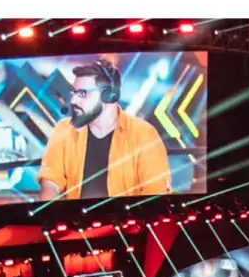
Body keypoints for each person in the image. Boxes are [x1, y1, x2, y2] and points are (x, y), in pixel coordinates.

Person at [37, 58, 172, 201]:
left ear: (108, 95)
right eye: (74, 92)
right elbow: (50, 183)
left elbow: (156, 194)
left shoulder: (144, 134)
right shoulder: (64, 129)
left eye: (83, 93)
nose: (74, 100)